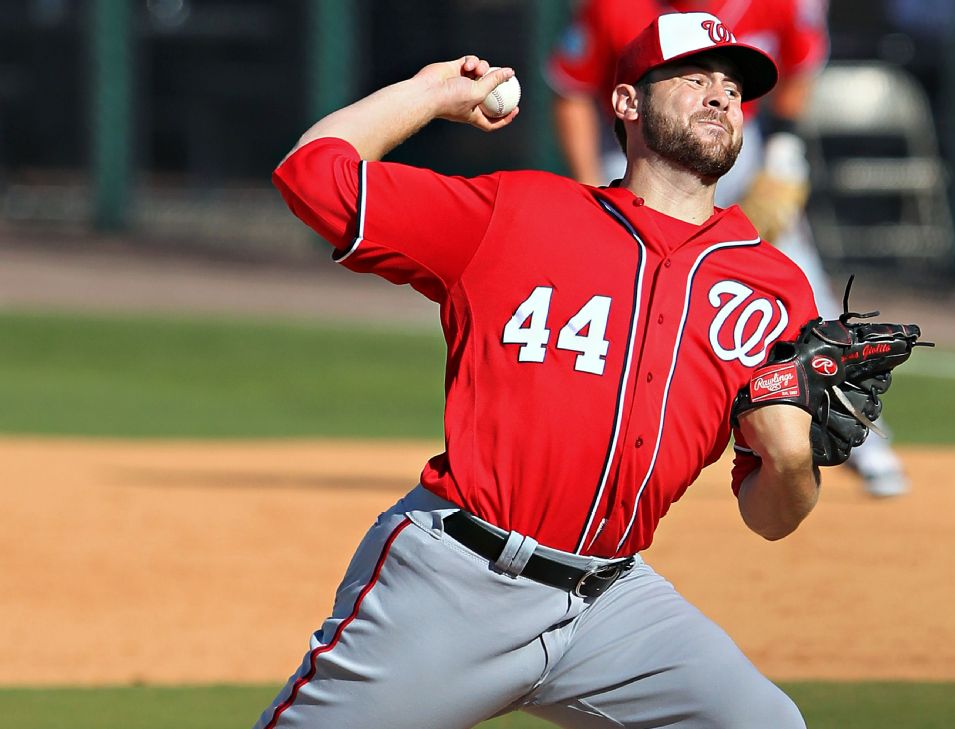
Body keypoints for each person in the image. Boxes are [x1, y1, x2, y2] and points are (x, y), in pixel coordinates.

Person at [260, 13, 824, 728]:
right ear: (625, 104)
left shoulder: (774, 288)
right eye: (693, 78)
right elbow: (312, 177)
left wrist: (793, 459)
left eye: (731, 85)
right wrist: (429, 93)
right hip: (455, 583)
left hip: (613, 607)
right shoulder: (519, 211)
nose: (719, 95)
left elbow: (771, 517)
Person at [548, 0, 912, 498]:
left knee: (800, 281)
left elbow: (800, 66)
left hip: (741, 148)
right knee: (607, 291)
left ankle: (860, 442)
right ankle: (577, 439)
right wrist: (590, 186)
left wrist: (785, 147)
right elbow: (571, 91)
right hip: (645, 148)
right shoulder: (616, 7)